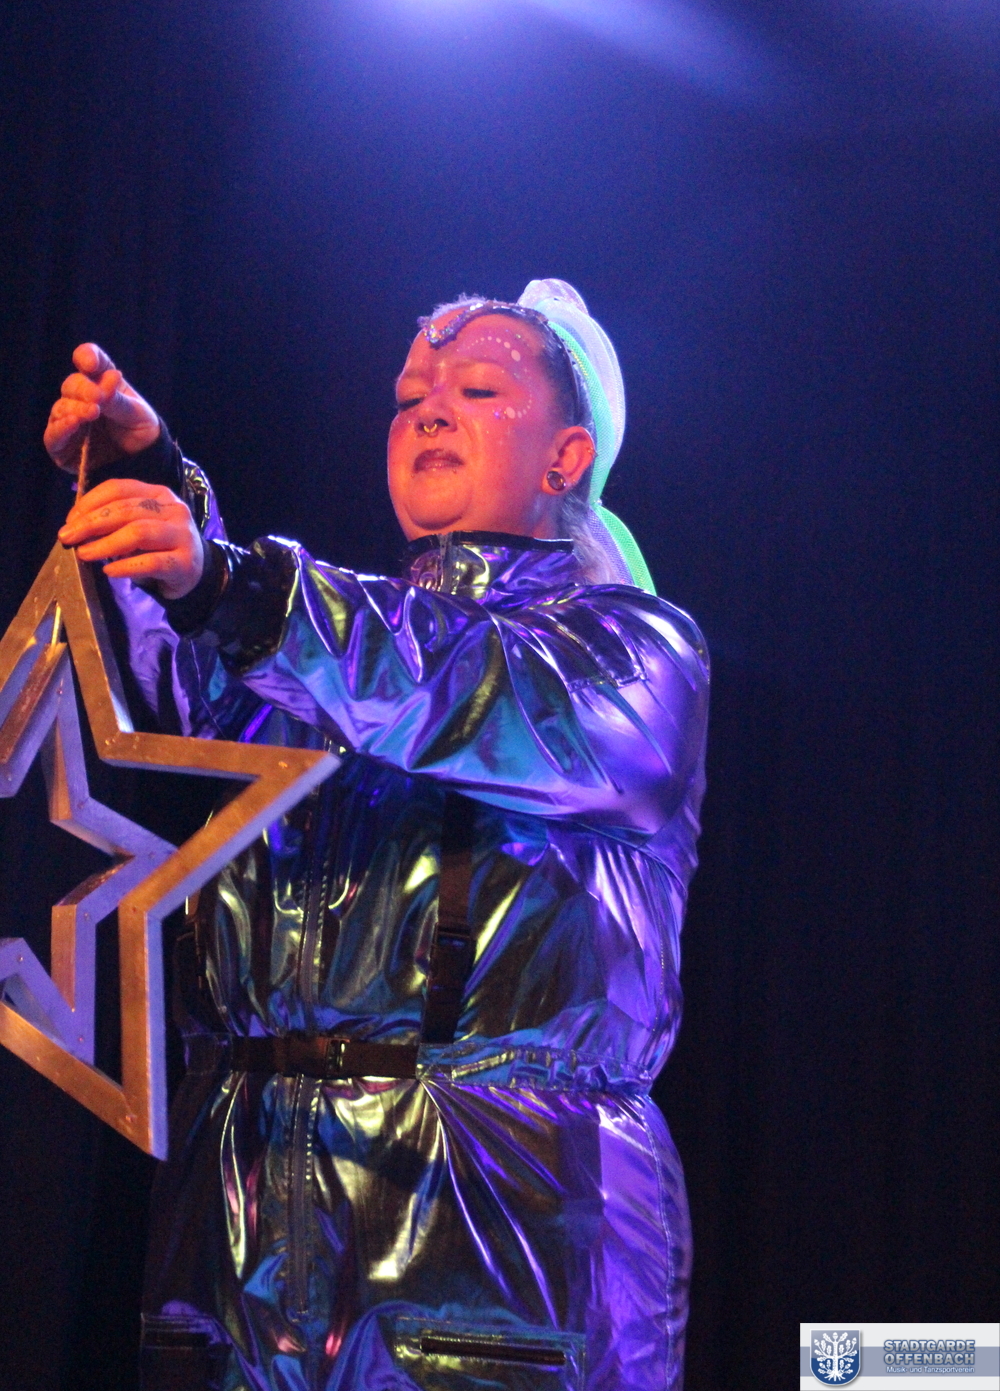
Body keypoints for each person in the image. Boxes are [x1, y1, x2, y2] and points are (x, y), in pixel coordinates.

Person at [50, 280, 709, 1391]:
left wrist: (234, 585)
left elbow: (458, 684)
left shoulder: (629, 657)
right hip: (242, 1215)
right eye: (409, 398)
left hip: (489, 1228)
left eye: (479, 390)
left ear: (567, 457)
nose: (430, 412)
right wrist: (147, 484)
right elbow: (182, 690)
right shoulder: (317, 656)